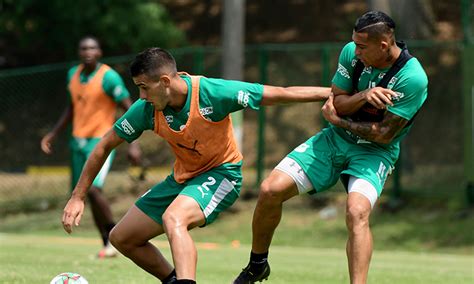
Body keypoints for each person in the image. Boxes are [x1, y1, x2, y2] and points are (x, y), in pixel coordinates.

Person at [61, 47, 330, 283]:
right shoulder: (147, 109)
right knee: (122, 237)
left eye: (144, 87)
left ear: (165, 81)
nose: (140, 96)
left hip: (222, 175)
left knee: (173, 218)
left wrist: (331, 94)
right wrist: (78, 196)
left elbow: (279, 93)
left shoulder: (213, 93)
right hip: (181, 180)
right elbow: (104, 146)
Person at [233, 11, 428, 284]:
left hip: (374, 152)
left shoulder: (412, 78)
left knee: (356, 211)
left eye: (362, 46)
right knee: (269, 190)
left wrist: (341, 120)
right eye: (355, 44)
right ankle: (257, 264)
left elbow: (383, 134)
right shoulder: (351, 53)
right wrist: (362, 96)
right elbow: (337, 101)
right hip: (334, 140)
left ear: (383, 45)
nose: (355, 51)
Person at [41, 36, 141, 258]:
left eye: (92, 48)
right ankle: (107, 244)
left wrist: (134, 144)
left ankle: (115, 237)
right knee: (84, 193)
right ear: (79, 52)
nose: (88, 51)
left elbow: (130, 108)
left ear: (99, 52)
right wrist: (53, 133)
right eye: (84, 48)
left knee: (94, 189)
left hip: (100, 142)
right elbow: (71, 108)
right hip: (77, 142)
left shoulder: (109, 77)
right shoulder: (72, 75)